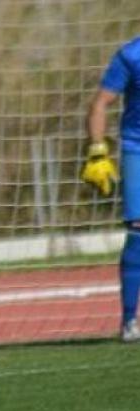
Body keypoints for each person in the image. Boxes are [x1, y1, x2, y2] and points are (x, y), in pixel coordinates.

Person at [82, 35, 140, 343]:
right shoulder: (131, 54)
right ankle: (129, 320)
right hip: (137, 148)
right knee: (138, 232)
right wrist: (97, 152)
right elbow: (100, 104)